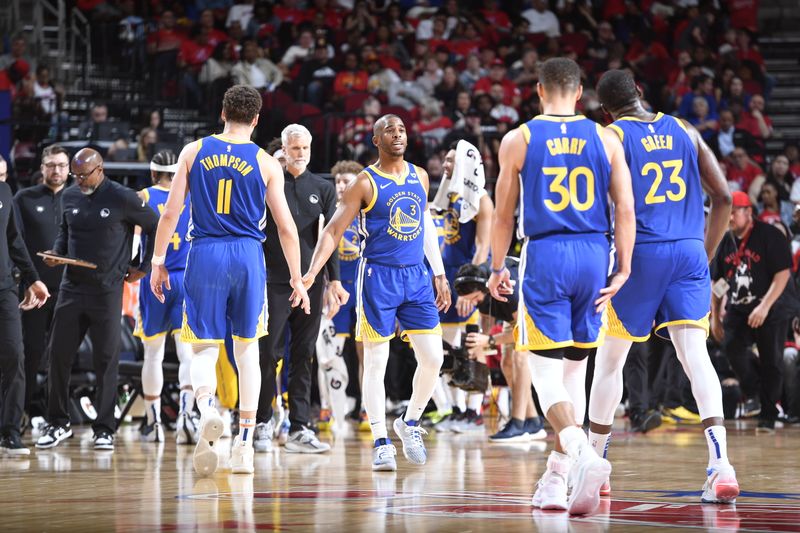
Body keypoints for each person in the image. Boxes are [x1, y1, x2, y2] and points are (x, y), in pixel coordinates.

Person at [487, 58, 635, 516]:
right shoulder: (607, 136)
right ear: (579, 93)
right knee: (573, 372)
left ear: (538, 91)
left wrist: (496, 268)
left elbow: (504, 214)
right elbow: (625, 209)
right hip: (595, 253)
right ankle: (557, 478)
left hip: (546, 254)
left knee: (545, 376)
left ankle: (584, 456)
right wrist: (624, 268)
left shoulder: (519, 138)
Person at [587, 69, 738, 505]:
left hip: (642, 253)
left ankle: (597, 468)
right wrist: (703, 254)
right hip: (690, 251)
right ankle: (721, 466)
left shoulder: (610, 136)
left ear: (604, 109)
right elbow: (724, 197)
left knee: (610, 362)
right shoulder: (686, 129)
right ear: (640, 90)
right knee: (696, 356)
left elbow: (604, 206)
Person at [150, 85, 310, 476]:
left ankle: (207, 408)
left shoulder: (192, 151)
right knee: (248, 352)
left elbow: (171, 213)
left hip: (204, 253)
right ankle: (244, 444)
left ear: (222, 112)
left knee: (203, 347)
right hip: (247, 256)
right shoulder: (266, 162)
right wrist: (297, 278)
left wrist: (157, 261)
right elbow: (287, 228)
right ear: (256, 119)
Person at [300, 114, 451, 472]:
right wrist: (311, 273)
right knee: (376, 361)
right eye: (389, 130)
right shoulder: (365, 183)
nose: (397, 134)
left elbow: (426, 223)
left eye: (402, 129)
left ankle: (409, 422)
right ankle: (382, 441)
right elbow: (334, 230)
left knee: (433, 358)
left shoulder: (420, 176)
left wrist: (439, 271)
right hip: (378, 276)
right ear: (376, 140)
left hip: (416, 276)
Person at [36, 147, 159, 451]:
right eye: (74, 176)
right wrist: (56, 253)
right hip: (72, 288)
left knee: (107, 360)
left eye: (83, 175)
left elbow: (156, 226)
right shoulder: (69, 197)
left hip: (107, 290)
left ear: (100, 169)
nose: (78, 181)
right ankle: (58, 423)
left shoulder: (123, 197)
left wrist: (142, 267)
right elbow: (65, 235)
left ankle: (104, 428)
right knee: (57, 357)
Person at [253, 124, 345, 455]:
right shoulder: (267, 186)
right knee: (268, 354)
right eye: (294, 148)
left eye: (305, 148)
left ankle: (300, 427)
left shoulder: (322, 188)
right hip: (273, 281)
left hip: (311, 282)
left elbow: (331, 237)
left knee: (304, 355)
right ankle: (262, 422)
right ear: (284, 149)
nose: (301, 153)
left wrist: (333, 280)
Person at [711, 191, 792, 433]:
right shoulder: (725, 241)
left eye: (735, 211)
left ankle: (768, 414)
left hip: (773, 307)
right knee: (730, 344)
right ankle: (756, 392)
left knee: (772, 360)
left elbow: (783, 274)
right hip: (740, 307)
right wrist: (715, 317)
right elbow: (719, 283)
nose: (731, 217)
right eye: (729, 212)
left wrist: (765, 306)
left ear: (748, 213)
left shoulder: (769, 235)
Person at [134, 150, 196, 444]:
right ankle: (185, 417)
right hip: (185, 279)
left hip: (153, 278)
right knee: (187, 355)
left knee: (153, 354)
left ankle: (153, 422)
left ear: (152, 171)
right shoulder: (192, 197)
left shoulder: (142, 197)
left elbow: (134, 248)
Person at [431, 143, 493, 433]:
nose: (445, 164)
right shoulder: (449, 196)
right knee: (450, 347)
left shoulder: (481, 198)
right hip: (450, 276)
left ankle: (474, 411)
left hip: (470, 278)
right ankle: (456, 409)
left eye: (451, 161)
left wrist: (470, 286)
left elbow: (482, 247)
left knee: (472, 344)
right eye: (445, 159)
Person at [453, 258, 546, 443]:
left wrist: (489, 340)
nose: (473, 303)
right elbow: (486, 318)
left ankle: (518, 423)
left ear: (484, 289)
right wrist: (480, 347)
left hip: (534, 303)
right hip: (513, 314)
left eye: (474, 299)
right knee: (506, 362)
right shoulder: (477, 286)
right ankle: (533, 421)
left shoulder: (507, 289)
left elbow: (521, 333)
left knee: (520, 357)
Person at [13, 145, 68, 423]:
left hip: (69, 291)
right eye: (50, 165)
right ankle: (27, 409)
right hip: (34, 289)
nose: (56, 170)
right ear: (42, 167)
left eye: (60, 165)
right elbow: (16, 243)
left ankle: (56, 413)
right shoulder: (23, 198)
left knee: (61, 355)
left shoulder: (78, 198)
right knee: (31, 351)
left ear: (69, 168)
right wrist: (26, 282)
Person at [0, 178, 50, 455]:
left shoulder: (5, 192)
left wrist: (32, 279)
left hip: (4, 288)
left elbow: (13, 239)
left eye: (3, 174)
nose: (1, 179)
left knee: (14, 356)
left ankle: (9, 432)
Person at [316, 159, 363, 432]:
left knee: (366, 352)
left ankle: (366, 408)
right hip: (336, 287)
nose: (342, 186)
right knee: (330, 352)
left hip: (363, 286)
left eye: (348, 181)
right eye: (339, 182)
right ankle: (327, 406)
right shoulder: (327, 213)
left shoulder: (368, 211)